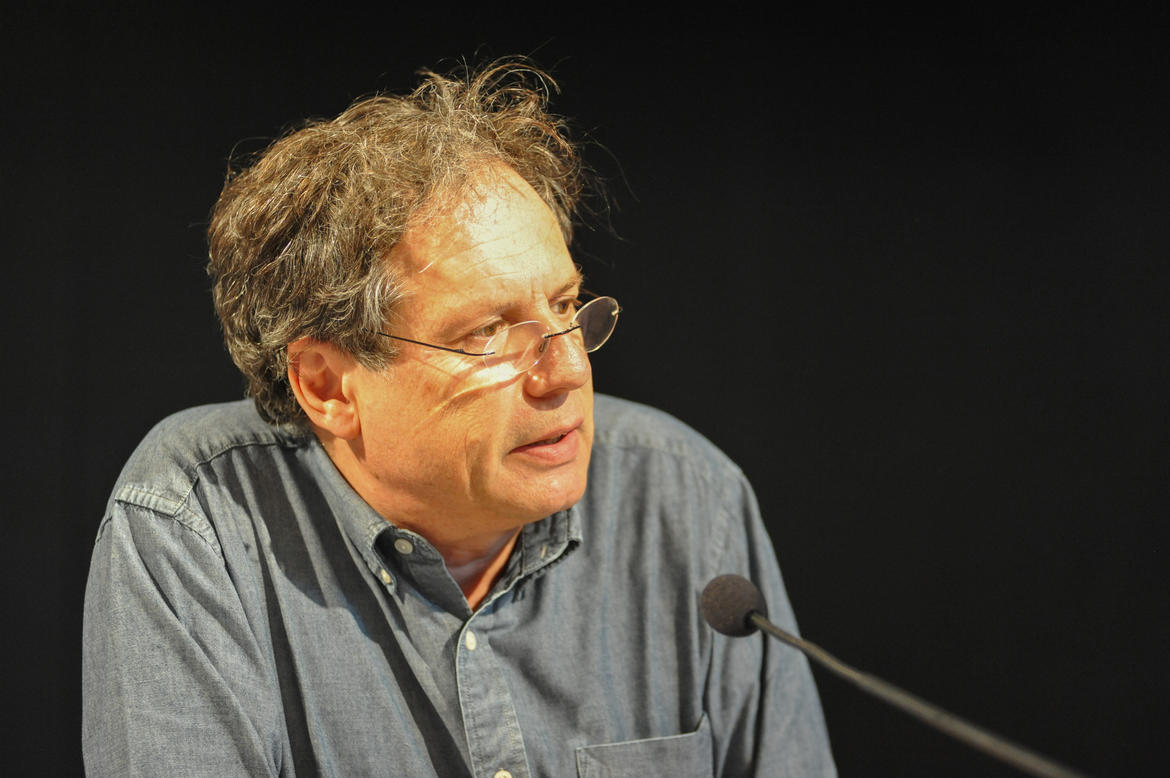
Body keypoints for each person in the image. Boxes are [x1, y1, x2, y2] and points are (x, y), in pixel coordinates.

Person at [82, 59, 836, 777]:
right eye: (486, 334)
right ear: (327, 386)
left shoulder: (690, 499)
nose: (569, 371)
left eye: (566, 306)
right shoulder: (198, 525)